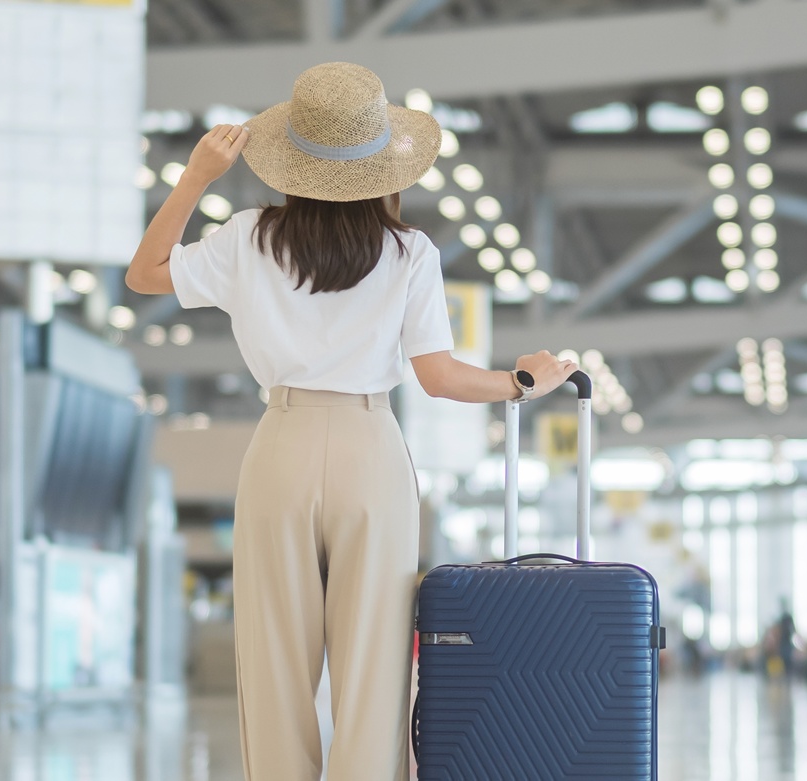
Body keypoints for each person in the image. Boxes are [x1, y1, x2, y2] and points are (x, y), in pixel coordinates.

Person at [125, 62, 578, 781]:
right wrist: (521, 382)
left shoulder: (248, 238)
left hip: (281, 443)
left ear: (290, 161)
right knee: (375, 665)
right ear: (379, 165)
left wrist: (196, 177)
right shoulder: (409, 253)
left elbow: (146, 272)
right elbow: (438, 376)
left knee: (274, 657)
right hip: (372, 449)